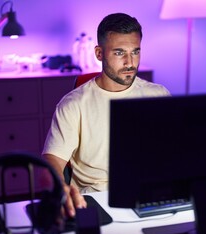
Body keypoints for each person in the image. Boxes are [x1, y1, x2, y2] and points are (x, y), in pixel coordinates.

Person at [42, 12, 171, 217]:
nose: (130, 62)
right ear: (99, 54)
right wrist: (60, 189)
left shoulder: (159, 94)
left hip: (150, 195)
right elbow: (52, 161)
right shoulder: (73, 104)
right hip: (98, 199)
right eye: (119, 53)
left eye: (135, 52)